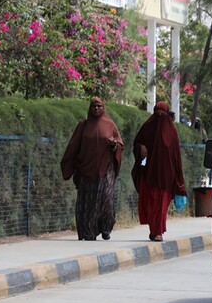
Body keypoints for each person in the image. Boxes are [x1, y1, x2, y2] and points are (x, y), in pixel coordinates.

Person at [60, 97, 124, 241]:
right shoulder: (83, 126)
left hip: (105, 169)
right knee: (87, 202)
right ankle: (88, 231)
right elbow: (73, 147)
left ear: (103, 107)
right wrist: (70, 164)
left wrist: (114, 145)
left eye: (99, 106)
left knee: (106, 199)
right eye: (94, 106)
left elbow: (120, 144)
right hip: (86, 170)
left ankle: (105, 228)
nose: (96, 109)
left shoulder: (110, 125)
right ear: (90, 108)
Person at [131, 102, 188, 242]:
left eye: (162, 114)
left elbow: (176, 157)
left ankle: (158, 232)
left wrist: (178, 179)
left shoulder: (172, 132)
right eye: (157, 114)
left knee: (161, 205)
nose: (159, 117)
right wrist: (141, 148)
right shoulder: (147, 127)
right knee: (150, 204)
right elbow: (136, 143)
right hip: (148, 174)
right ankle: (153, 229)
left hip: (166, 177)